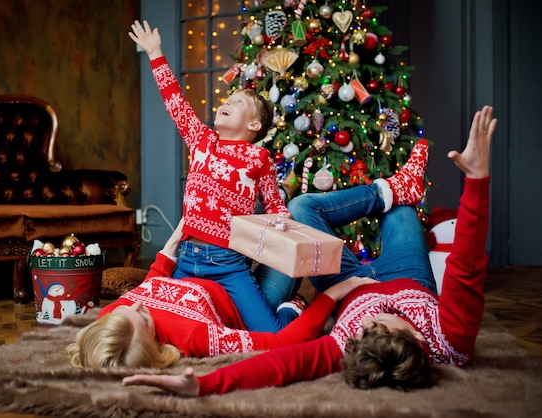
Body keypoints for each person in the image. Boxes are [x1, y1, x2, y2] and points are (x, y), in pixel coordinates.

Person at [120, 105, 497, 394]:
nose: (367, 319)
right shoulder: (450, 337)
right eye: (375, 325)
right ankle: (395, 193)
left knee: (300, 209)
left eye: (361, 330)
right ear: (415, 338)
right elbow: (467, 268)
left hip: (350, 281)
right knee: (401, 211)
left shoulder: (350, 345)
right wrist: (477, 180)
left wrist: (205, 384)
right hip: (409, 275)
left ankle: (389, 190)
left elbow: (279, 363)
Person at [128, 20, 299, 333]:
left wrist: (285, 229)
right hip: (188, 259)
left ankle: (293, 307)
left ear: (255, 126)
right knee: (160, 324)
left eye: (238, 102)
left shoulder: (259, 158)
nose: (227, 102)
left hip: (229, 264)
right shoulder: (203, 140)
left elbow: (275, 206)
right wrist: (155, 53)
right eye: (228, 99)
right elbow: (175, 102)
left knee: (270, 333)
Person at [66, 218, 377, 369]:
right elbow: (283, 344)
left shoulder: (112, 318)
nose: (137, 305)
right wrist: (337, 291)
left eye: (126, 308)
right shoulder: (194, 338)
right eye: (144, 318)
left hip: (198, 272)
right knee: (298, 244)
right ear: (155, 345)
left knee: (279, 227)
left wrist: (176, 236)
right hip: (245, 301)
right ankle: (290, 308)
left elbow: (152, 283)